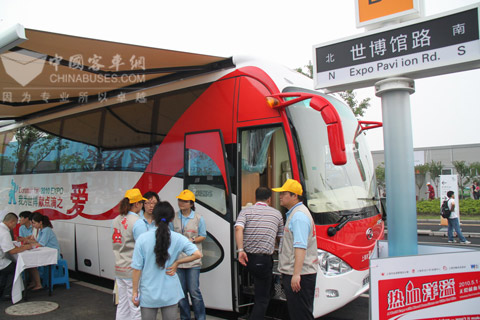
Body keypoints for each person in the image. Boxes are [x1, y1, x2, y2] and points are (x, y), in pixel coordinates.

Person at [131, 201, 202, 320]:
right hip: (170, 292)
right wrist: (177, 262)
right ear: (171, 219)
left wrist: (134, 293)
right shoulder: (178, 238)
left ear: (154, 216)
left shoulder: (142, 239)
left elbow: (137, 268)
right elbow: (197, 254)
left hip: (148, 292)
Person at [234, 187, 284, 320]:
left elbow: (238, 228)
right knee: (262, 298)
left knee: (257, 286)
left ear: (255, 197)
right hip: (264, 260)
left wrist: (240, 250)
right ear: (269, 199)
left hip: (247, 259)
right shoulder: (276, 214)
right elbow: (281, 237)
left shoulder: (245, 211)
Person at [272, 179, 318, 320]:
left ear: (294, 196)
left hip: (299, 275)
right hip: (299, 274)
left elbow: (300, 246)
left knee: (300, 314)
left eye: (284, 193)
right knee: (299, 311)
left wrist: (296, 274)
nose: (280, 196)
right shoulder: (296, 213)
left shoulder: (298, 216)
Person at [170, 189, 207, 320]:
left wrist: (191, 240)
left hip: (193, 260)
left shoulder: (198, 218)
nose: (181, 203)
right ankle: (185, 317)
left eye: (185, 201)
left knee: (194, 292)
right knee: (181, 293)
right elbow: (170, 235)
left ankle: (200, 317)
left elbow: (203, 236)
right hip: (178, 260)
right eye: (180, 200)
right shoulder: (173, 217)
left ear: (191, 203)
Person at [112, 188, 146, 320]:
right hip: (133, 270)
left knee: (123, 305)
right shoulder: (137, 222)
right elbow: (143, 248)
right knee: (136, 305)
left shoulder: (116, 220)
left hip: (119, 268)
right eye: (141, 203)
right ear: (137, 204)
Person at [24, 212, 62, 290]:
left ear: (40, 222)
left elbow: (41, 244)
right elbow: (38, 242)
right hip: (46, 253)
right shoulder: (41, 230)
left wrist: (30, 245)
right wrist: (28, 242)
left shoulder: (46, 230)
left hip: (53, 254)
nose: (33, 225)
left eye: (34, 223)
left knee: (31, 264)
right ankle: (34, 282)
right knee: (29, 263)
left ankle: (38, 284)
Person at [0, 213, 33, 301]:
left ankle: (2, 290)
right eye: (15, 224)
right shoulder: (4, 232)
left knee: (5, 271)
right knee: (14, 268)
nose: (15, 226)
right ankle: (7, 293)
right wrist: (25, 247)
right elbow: (11, 251)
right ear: (11, 222)